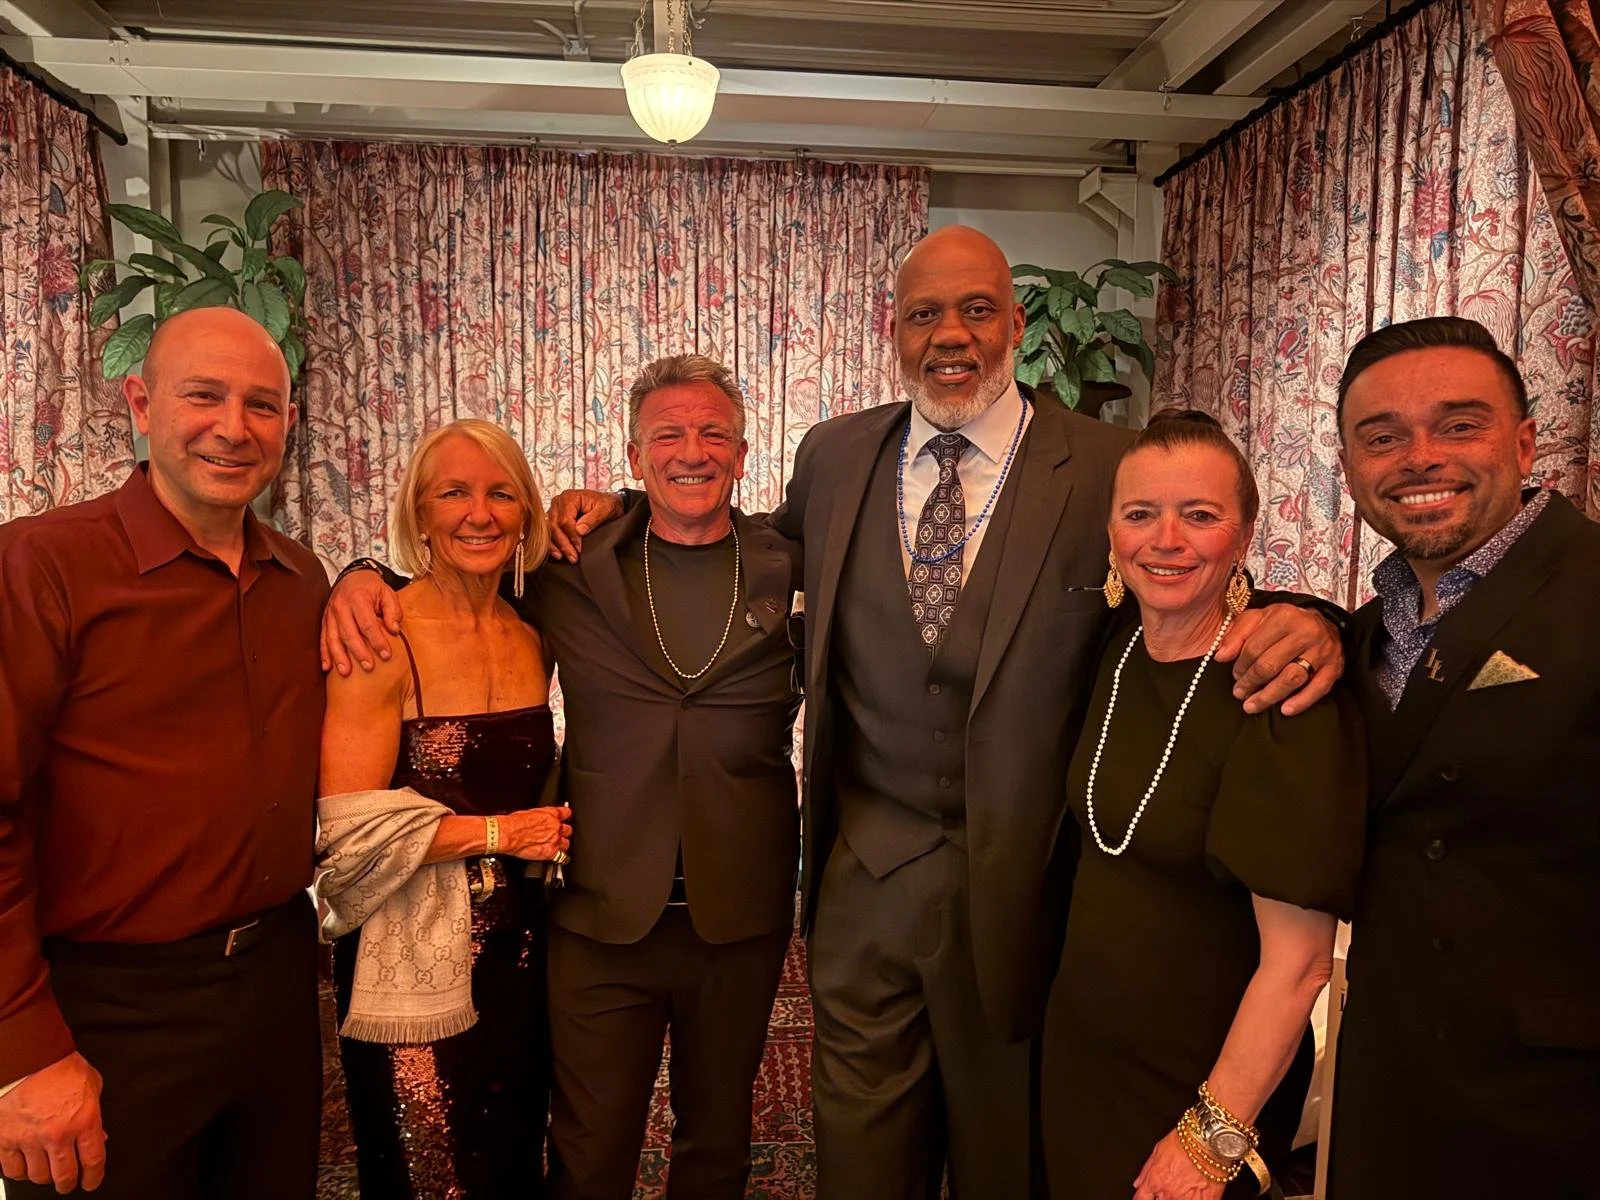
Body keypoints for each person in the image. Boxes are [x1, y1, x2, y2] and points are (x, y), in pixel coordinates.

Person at [547, 226, 1346, 1197]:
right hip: (859, 891)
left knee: (1003, 1161)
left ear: (1014, 322)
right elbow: (733, 546)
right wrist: (611, 503)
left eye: (975, 309)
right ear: (893, 331)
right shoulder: (834, 456)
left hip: (1025, 901)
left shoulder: (1101, 462)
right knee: (859, 1166)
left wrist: (1313, 615)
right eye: (925, 313)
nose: (951, 333)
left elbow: (1181, 561)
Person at [321, 355, 803, 1200]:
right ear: (634, 452)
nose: (691, 451)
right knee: (586, 1146)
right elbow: (458, 557)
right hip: (596, 910)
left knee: (719, 1139)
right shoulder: (567, 566)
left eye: (712, 432)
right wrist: (356, 576)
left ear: (743, 448)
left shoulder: (792, 563)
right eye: (668, 434)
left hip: (744, 912)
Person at [0, 306, 327, 1199]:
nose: (234, 427)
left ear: (288, 425)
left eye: (262, 405)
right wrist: (21, 1052)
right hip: (104, 1008)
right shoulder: (43, 566)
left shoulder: (304, 581)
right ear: (140, 404)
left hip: (274, 985)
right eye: (204, 396)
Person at [1040, 410, 1365, 1198]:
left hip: (1198, 1085)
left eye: (1201, 515)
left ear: (1245, 533)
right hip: (1081, 1061)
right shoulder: (1114, 648)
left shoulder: (1278, 690)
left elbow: (1298, 967)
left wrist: (1210, 1140)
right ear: (1112, 530)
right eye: (1141, 513)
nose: (1167, 540)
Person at [1327, 317, 1600, 1199]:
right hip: (1392, 1087)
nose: (1419, 457)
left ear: (1524, 444)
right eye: (1383, 437)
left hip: (1555, 1112)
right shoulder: (1365, 631)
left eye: (1458, 424)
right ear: (1350, 467)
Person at [316, 418, 572, 1199]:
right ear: (418, 514)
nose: (480, 514)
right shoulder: (381, 637)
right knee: (428, 1169)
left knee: (511, 1152)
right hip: (410, 957)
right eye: (453, 493)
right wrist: (502, 833)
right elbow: (346, 835)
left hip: (522, 951)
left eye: (501, 494)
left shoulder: (533, 632)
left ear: (526, 512)